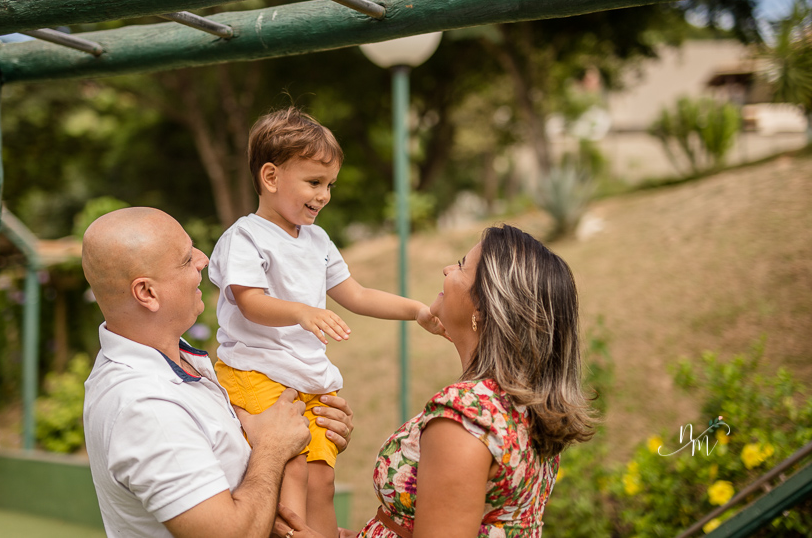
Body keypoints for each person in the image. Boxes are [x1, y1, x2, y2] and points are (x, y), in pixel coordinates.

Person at [208, 107, 447, 537]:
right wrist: (302, 311)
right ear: (270, 176)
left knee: (322, 477)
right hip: (256, 371)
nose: (324, 196)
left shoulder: (317, 240)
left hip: (307, 380)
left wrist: (416, 311)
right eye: (314, 182)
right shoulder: (244, 237)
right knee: (292, 467)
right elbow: (249, 301)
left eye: (329, 185)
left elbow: (356, 294)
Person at [273, 224, 597, 538]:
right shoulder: (525, 409)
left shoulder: (465, 418)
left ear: (483, 308)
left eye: (460, 266)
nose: (446, 270)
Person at [81, 207, 354, 538]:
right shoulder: (145, 407)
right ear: (147, 293)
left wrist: (311, 428)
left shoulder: (177, 363)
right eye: (185, 260)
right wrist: (274, 446)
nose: (203, 260)